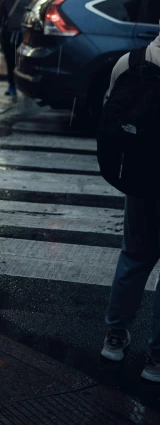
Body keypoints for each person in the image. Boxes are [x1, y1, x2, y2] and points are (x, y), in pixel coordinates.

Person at [101, 33, 160, 381]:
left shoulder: (131, 62)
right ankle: (156, 359)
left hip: (140, 179)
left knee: (134, 257)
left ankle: (114, 337)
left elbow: (112, 114)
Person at [0, 0, 31, 97]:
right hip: (8, 34)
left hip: (21, 35)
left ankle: (23, 86)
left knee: (21, 62)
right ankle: (11, 85)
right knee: (9, 61)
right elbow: (1, 17)